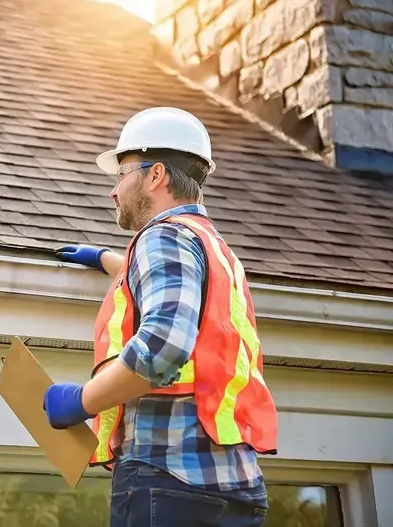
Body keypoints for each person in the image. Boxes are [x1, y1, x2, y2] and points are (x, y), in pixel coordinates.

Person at [43, 107, 279, 526]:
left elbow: (163, 347)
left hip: (170, 478)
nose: (113, 192)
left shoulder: (162, 237)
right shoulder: (215, 249)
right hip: (232, 485)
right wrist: (110, 260)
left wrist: (81, 401)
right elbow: (176, 287)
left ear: (155, 176)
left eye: (120, 175)